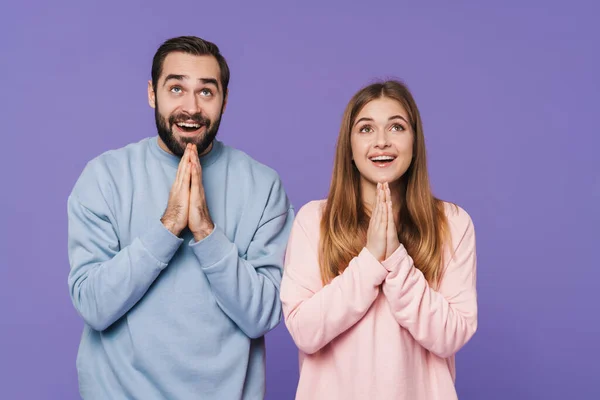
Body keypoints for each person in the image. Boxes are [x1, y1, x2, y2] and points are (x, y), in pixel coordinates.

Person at [67, 36, 294, 399]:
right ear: (152, 94)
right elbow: (94, 306)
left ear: (224, 100)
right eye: (176, 88)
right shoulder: (104, 177)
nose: (191, 107)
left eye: (206, 92)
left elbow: (263, 315)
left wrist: (205, 231)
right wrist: (169, 225)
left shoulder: (263, 186)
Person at [280, 80, 477, 399]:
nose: (382, 142)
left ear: (415, 142)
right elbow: (305, 331)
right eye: (366, 129)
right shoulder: (313, 220)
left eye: (396, 127)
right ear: (350, 146)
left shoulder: (452, 223)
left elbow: (450, 336)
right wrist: (370, 260)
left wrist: (396, 260)